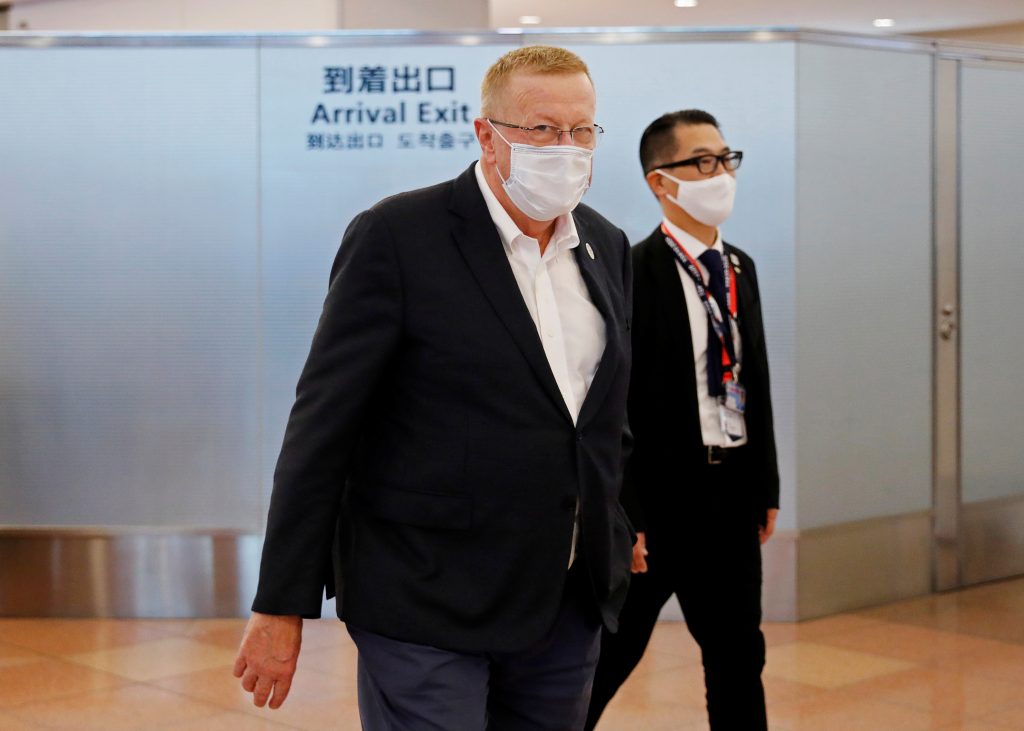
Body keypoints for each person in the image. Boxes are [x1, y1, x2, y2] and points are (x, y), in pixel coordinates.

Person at [233, 45, 636, 731]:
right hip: (424, 593)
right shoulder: (397, 236)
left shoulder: (605, 244)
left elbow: (599, 413)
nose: (565, 148)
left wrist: (620, 518)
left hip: (563, 597)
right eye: (542, 129)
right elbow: (324, 425)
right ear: (487, 134)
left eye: (582, 130)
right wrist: (281, 602)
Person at [585, 109, 779, 731]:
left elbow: (755, 380)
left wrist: (766, 484)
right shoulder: (632, 271)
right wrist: (627, 512)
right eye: (702, 161)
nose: (719, 173)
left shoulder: (738, 266)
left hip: (729, 495)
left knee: (738, 656)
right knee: (611, 655)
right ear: (660, 182)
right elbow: (614, 403)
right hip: (658, 506)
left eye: (725, 158)